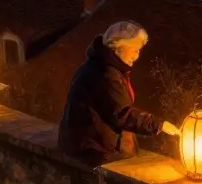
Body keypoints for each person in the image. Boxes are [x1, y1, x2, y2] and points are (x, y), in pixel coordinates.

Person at [57, 20, 179, 166]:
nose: (137, 56)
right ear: (120, 48)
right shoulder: (106, 74)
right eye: (135, 50)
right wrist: (159, 124)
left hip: (87, 144)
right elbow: (122, 114)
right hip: (93, 151)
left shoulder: (99, 65)